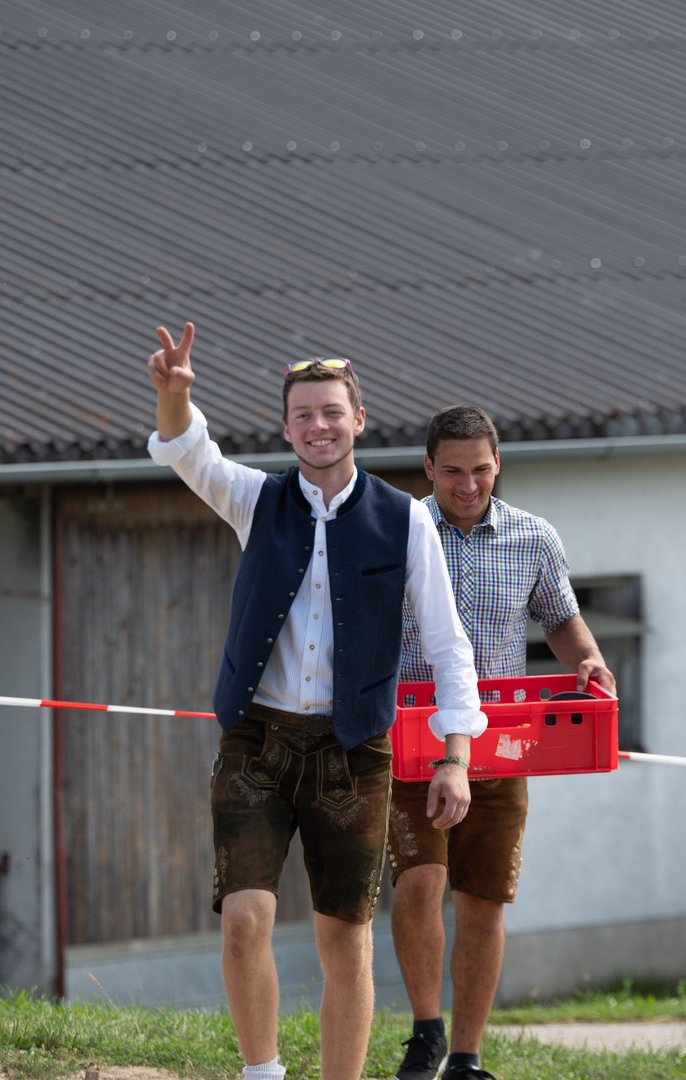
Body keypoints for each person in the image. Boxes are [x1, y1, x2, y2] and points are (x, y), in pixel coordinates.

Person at [146, 322, 486, 1080]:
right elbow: (189, 451)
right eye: (303, 414)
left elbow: (447, 643)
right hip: (255, 743)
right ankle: (262, 1073)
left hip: (354, 751)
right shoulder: (255, 499)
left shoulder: (405, 518)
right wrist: (175, 395)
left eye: (332, 411)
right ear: (286, 428)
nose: (318, 426)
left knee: (345, 944)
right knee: (244, 921)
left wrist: (456, 756)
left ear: (358, 420)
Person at [389, 405, 615, 1080]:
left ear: (498, 465)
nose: (468, 485)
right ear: (428, 468)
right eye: (452, 472)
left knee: (483, 901)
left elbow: (562, 622)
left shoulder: (533, 537)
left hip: (500, 745)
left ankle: (466, 1056)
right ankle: (426, 1032)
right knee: (419, 884)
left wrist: (589, 659)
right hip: (413, 739)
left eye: (480, 470)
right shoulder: (396, 531)